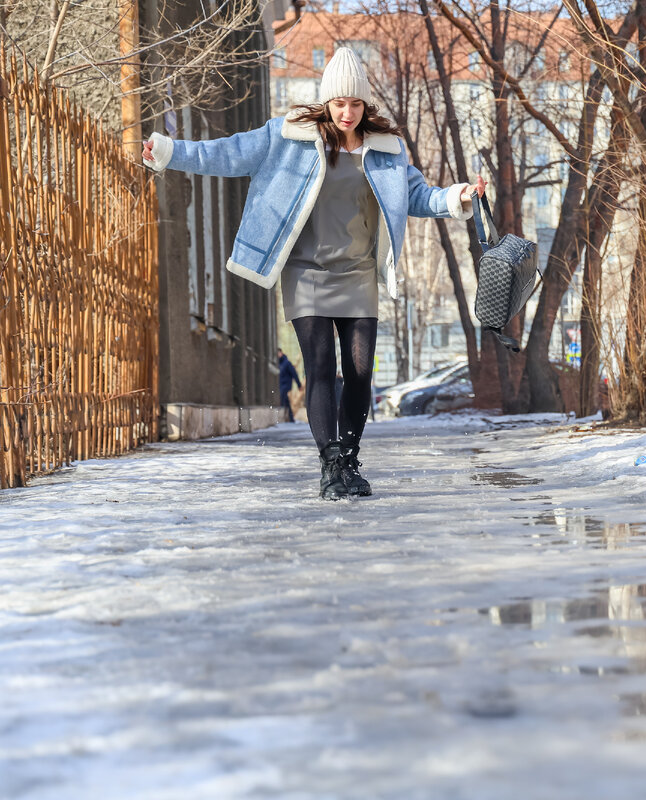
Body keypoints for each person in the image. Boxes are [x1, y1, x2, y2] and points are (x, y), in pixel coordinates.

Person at [142, 47, 485, 500]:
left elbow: (418, 196)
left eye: (356, 104)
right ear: (327, 101)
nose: (347, 112)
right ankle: (329, 466)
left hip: (358, 272)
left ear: (366, 105)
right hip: (305, 272)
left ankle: (349, 459)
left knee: (360, 371)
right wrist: (169, 150)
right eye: (340, 103)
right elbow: (228, 154)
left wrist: (459, 196)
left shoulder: (386, 150)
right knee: (320, 366)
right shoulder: (288, 138)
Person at [278, 348, 303, 422]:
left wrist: (299, 384)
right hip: (280, 385)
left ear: (281, 353)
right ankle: (290, 418)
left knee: (283, 399)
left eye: (278, 353)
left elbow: (294, 374)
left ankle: (284, 418)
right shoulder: (278, 364)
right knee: (286, 401)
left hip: (286, 385)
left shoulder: (287, 363)